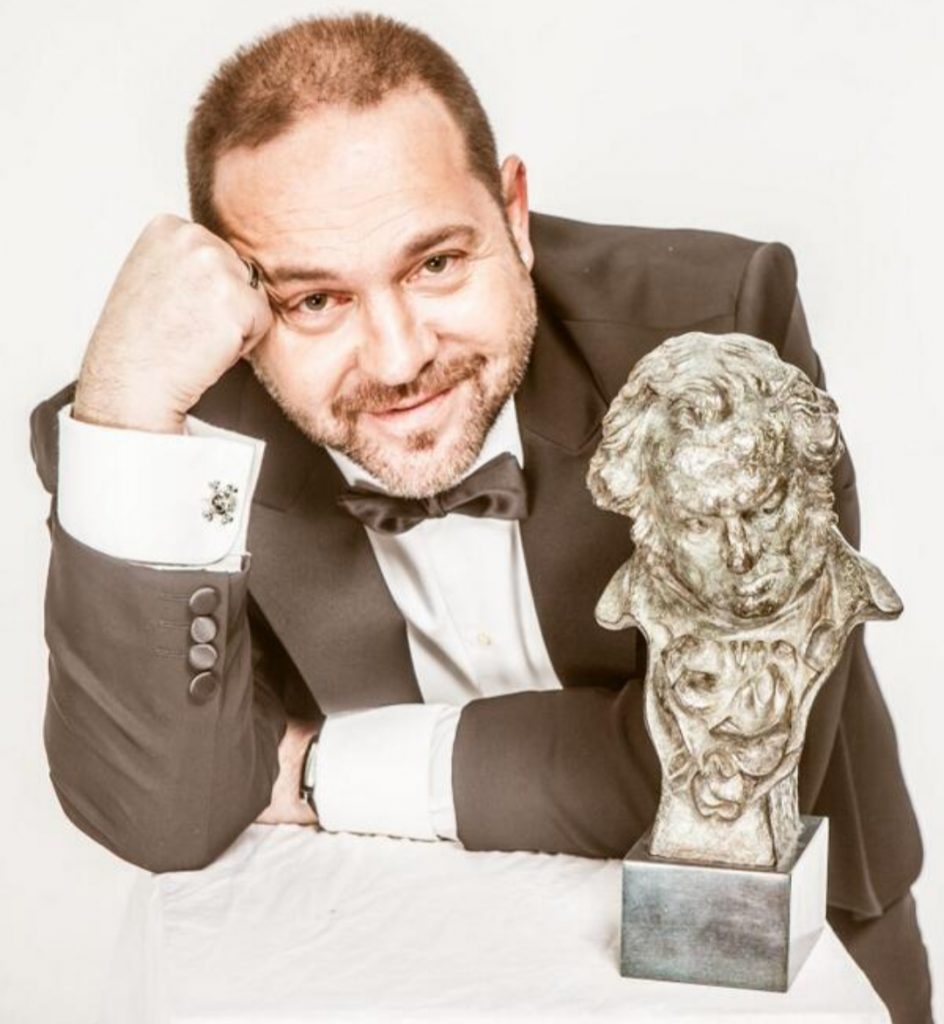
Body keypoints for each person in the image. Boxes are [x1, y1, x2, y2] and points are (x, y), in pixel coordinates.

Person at [29, 12, 932, 1022]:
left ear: (514, 213)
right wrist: (123, 408)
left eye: (435, 264)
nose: (399, 357)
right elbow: (165, 815)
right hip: (379, 964)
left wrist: (317, 768)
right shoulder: (168, 430)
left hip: (768, 961)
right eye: (314, 301)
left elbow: (718, 775)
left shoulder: (714, 339)